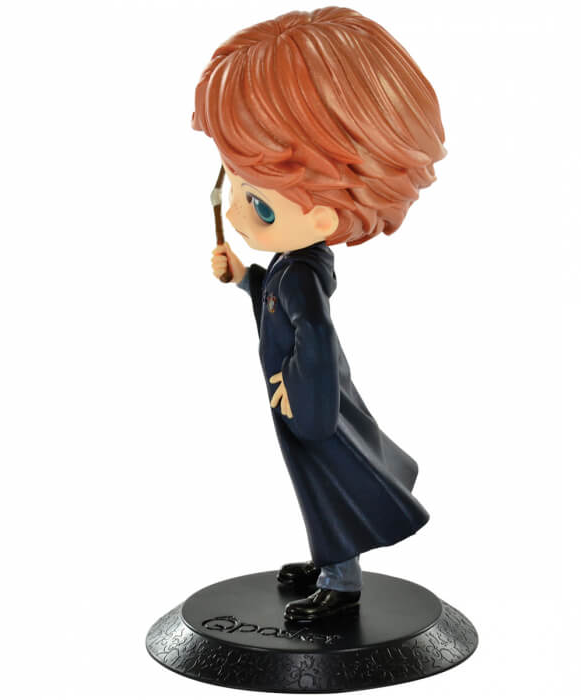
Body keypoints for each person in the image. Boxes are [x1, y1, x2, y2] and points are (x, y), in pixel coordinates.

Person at [192, 6, 446, 622]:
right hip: (307, 398)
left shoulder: (304, 274)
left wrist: (297, 396)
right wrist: (245, 279)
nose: (238, 212)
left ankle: (341, 581)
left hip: (312, 401)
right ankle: (329, 558)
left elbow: (317, 336)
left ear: (325, 216)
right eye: (236, 183)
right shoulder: (291, 265)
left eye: (261, 204)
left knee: (333, 481)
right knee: (316, 483)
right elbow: (279, 304)